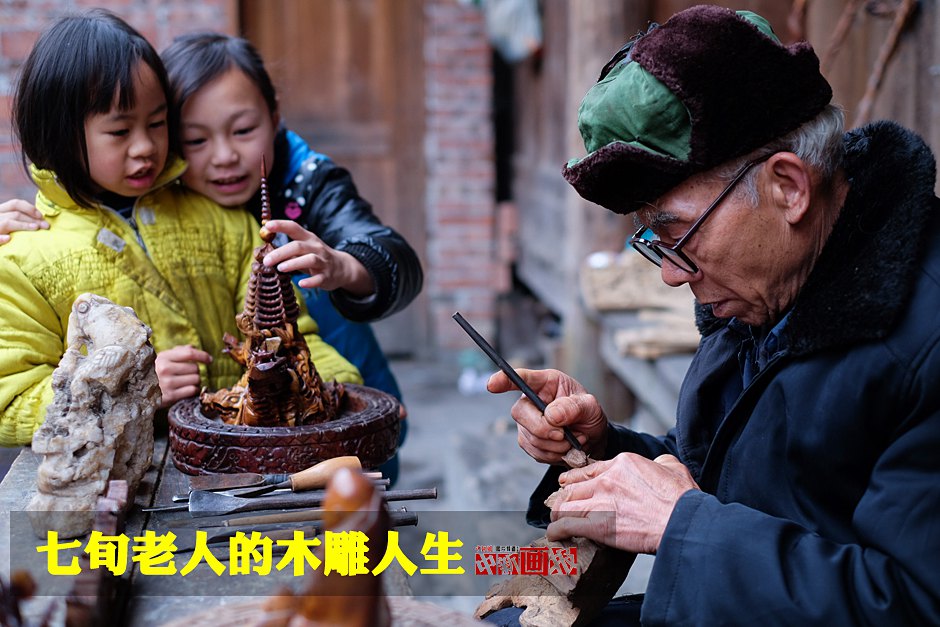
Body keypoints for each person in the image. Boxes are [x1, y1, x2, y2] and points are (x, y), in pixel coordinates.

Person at [485, 5, 940, 625]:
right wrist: (606, 453)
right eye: (657, 243)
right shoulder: (769, 285)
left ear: (788, 188)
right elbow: (730, 475)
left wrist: (680, 525)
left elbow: (912, 604)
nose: (671, 274)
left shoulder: (924, 340)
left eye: (679, 233)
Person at [0, 9, 361, 446]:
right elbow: (10, 403)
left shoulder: (222, 222)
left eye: (157, 123)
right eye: (120, 131)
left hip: (244, 466)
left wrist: (346, 394)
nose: (145, 147)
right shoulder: (24, 257)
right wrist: (129, 389)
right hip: (125, 484)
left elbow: (289, 338)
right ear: (59, 136)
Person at [161, 32, 422, 403]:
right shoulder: (157, 209)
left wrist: (342, 266)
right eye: (196, 140)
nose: (224, 156)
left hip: (350, 393)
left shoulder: (308, 181)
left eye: (243, 130)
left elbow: (397, 258)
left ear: (274, 117)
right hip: (241, 410)